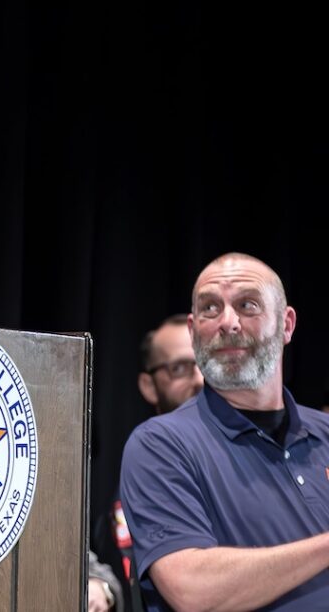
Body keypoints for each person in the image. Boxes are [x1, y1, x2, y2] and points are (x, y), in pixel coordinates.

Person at [119, 253, 329, 610]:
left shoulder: (324, 432)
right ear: (192, 329)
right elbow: (192, 591)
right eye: (211, 308)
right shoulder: (161, 445)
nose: (228, 322)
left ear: (286, 324)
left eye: (247, 305)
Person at [95, 315, 205, 608]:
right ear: (148, 385)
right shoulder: (139, 469)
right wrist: (98, 584)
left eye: (204, 364)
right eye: (179, 368)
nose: (199, 380)